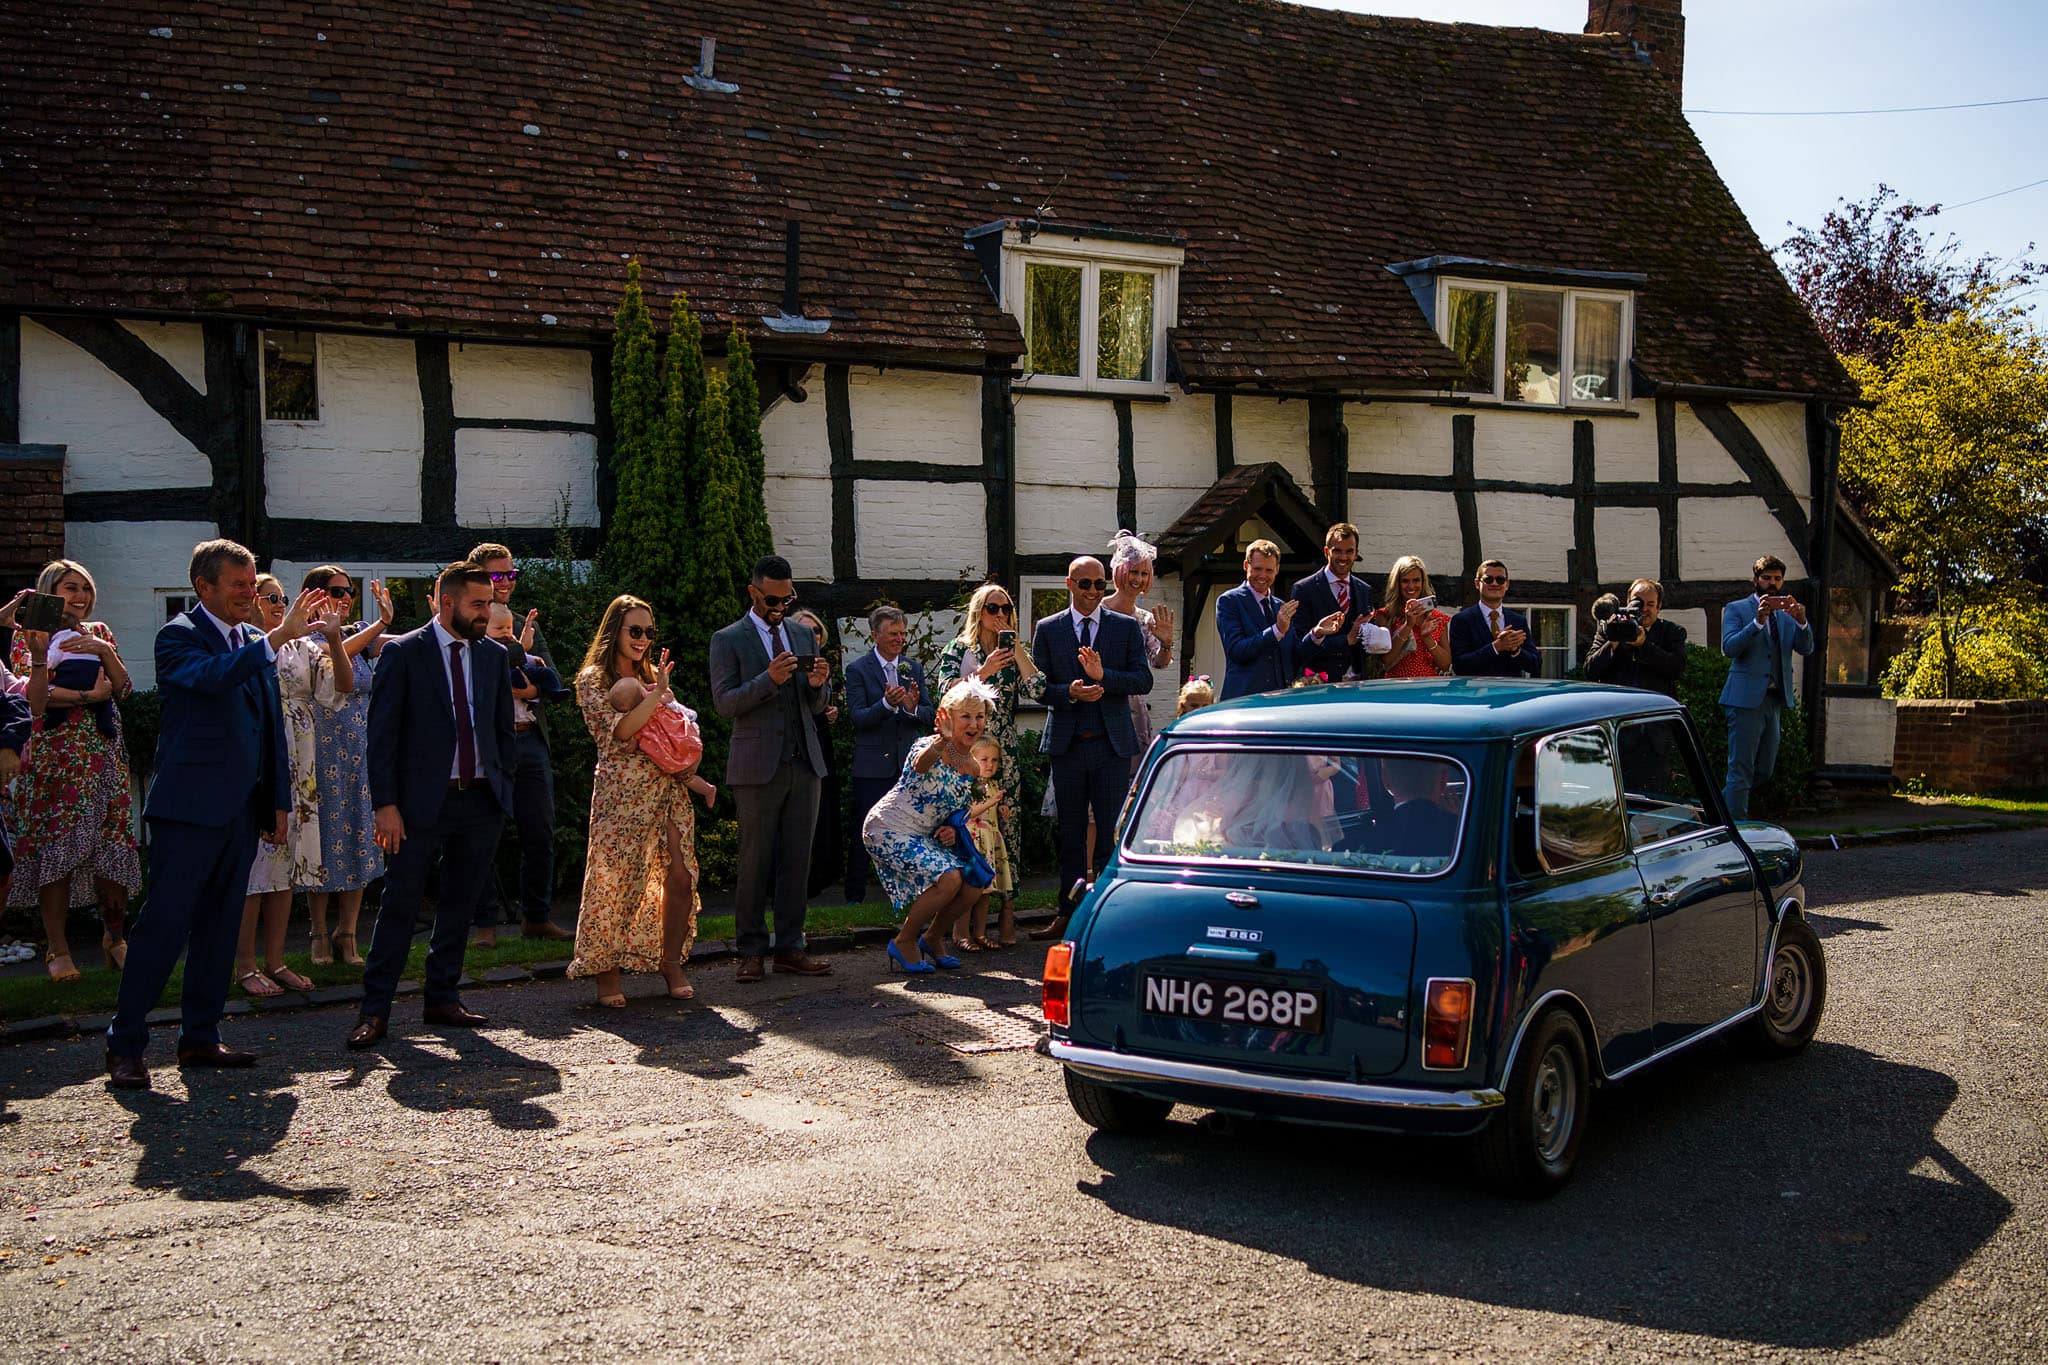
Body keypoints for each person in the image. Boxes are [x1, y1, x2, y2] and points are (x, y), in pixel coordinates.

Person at [105, 540, 308, 1090]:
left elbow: (270, 727)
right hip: (188, 811)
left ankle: (199, 1036)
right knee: (164, 928)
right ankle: (125, 1046)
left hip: (242, 812)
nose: (249, 594)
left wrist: (277, 802)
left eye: (252, 583)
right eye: (238, 585)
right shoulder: (178, 636)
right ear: (205, 587)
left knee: (221, 930)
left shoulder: (251, 640)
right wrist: (277, 639)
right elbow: (212, 678)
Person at [346, 562, 516, 1050]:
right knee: (400, 904)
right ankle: (374, 1011)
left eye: (490, 604)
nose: (487, 613)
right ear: (447, 603)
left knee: (460, 903)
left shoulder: (491, 657)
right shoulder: (404, 652)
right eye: (478, 605)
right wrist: (386, 806)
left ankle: (442, 997)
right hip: (420, 804)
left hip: (481, 799)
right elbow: (381, 739)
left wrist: (502, 788)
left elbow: (501, 727)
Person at [571, 595, 712, 1008]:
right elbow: (619, 732)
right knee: (615, 882)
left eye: (649, 632)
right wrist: (657, 697)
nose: (643, 639)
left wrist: (690, 765)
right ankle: (606, 970)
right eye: (635, 631)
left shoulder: (652, 675)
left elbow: (675, 728)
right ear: (615, 631)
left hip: (667, 789)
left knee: (681, 877)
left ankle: (670, 961)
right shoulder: (593, 679)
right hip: (621, 795)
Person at [4, 561, 139, 981]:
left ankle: (115, 938)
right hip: (55, 758)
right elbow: (31, 694)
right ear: (49, 591)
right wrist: (87, 693)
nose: (79, 596)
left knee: (112, 847)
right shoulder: (30, 637)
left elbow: (124, 687)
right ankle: (57, 950)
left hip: (104, 755)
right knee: (57, 850)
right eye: (69, 588)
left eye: (85, 588)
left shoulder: (99, 632)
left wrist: (105, 652)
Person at [709, 555, 834, 984]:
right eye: (772, 599)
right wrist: (769, 680)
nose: (780, 605)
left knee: (797, 862)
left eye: (787, 597)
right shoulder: (728, 639)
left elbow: (814, 705)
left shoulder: (802, 634)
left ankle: (790, 947)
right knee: (755, 862)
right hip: (756, 767)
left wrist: (818, 687)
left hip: (805, 763)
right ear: (753, 592)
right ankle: (750, 950)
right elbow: (725, 704)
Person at [233, 573, 346, 998]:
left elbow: (340, 688)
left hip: (300, 761)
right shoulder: (244, 643)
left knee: (285, 867)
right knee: (256, 869)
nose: (280, 603)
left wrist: (334, 638)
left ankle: (276, 961)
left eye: (283, 597)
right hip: (260, 758)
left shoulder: (302, 647)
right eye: (270, 597)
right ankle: (245, 964)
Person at [1032, 555, 1152, 940]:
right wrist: (1067, 692)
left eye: (1100, 586)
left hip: (1112, 746)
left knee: (1110, 835)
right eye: (1085, 585)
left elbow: (1143, 680)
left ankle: (1105, 914)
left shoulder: (1124, 627)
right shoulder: (1049, 628)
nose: (1093, 593)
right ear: (1070, 584)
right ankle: (1066, 912)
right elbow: (1038, 688)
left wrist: (1104, 677)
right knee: (1070, 835)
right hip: (1068, 745)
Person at [468, 543, 574, 945]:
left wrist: (521, 682)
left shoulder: (522, 622)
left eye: (511, 574)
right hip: (490, 745)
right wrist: (516, 676)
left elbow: (549, 680)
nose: (507, 583)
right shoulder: (465, 622)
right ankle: (485, 926)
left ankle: (537, 917)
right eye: (498, 576)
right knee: (482, 835)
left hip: (531, 741)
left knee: (540, 833)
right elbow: (475, 679)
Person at [863, 678, 997, 973]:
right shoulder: (927, 746)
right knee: (949, 879)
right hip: (887, 828)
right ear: (947, 717)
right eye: (966, 716)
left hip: (923, 835)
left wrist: (951, 828)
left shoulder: (973, 767)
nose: (974, 724)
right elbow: (920, 767)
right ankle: (904, 941)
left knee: (974, 883)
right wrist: (943, 740)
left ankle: (933, 938)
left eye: (980, 716)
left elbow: (957, 812)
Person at [937, 583, 1042, 945]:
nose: (1000, 616)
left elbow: (1040, 691)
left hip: (1002, 756)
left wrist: (1019, 652)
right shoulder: (959, 649)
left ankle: (1007, 916)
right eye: (993, 609)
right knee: (965, 833)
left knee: (1005, 834)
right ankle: (959, 925)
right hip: (964, 753)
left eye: (1007, 610)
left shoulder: (1013, 653)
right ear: (978, 612)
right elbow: (944, 692)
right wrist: (983, 671)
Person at [303, 568, 393, 968]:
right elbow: (335, 655)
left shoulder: (360, 632)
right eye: (338, 591)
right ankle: (319, 931)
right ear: (315, 594)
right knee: (322, 841)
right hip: (321, 754)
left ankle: (349, 932)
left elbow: (395, 646)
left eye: (350, 592)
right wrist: (378, 624)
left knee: (359, 837)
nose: (346, 598)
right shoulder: (304, 635)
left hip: (360, 750)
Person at [843, 605, 935, 904]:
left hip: (908, 764)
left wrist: (909, 708)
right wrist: (885, 704)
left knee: (911, 829)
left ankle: (907, 893)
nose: (899, 639)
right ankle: (855, 897)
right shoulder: (858, 669)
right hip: (872, 766)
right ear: (875, 635)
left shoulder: (913, 668)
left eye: (903, 634)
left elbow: (929, 713)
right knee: (865, 828)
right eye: (893, 634)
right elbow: (857, 717)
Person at [1720, 555, 1814, 820]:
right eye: (1766, 578)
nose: (1772, 584)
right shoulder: (1737, 609)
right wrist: (1757, 622)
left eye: (1777, 579)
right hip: (1744, 699)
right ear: (1755, 580)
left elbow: (1806, 648)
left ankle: (1715, 806)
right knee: (1741, 769)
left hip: (1774, 699)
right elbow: (1729, 648)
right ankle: (1737, 828)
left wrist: (1802, 622)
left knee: (1764, 769)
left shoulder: (1787, 614)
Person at [1103, 530, 1176, 774]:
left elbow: (1159, 663)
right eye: (1134, 571)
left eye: (1144, 573)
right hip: (1100, 701)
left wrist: (1166, 643)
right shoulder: (1098, 610)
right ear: (1120, 571)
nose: (1138, 579)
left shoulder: (1145, 619)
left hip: (1133, 708)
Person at [789, 609, 846, 900]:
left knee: (822, 808)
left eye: (816, 631)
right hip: (794, 746)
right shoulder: (788, 666)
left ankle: (820, 873)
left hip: (820, 742)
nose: (811, 636)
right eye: (805, 630)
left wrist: (829, 712)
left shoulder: (823, 669)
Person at [1288, 523, 1392, 680]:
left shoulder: (1364, 590)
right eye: (1337, 551)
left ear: (1356, 553)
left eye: (1349, 552)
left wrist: (1375, 635)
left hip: (1357, 686)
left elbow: (1364, 647)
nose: (1343, 557)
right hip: (1318, 684)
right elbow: (1299, 648)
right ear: (1326, 552)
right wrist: (1346, 640)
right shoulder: (1304, 589)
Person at [1216, 539, 1298, 699]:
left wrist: (1317, 634)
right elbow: (1237, 650)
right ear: (1246, 566)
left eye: (1269, 570)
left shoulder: (1280, 607)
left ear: (1277, 570)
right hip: (1244, 700)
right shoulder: (1230, 601)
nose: (1263, 576)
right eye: (1257, 569)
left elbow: (1294, 653)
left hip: (1279, 700)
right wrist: (1277, 631)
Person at [1585, 578, 1688, 697]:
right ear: (1628, 602)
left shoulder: (1672, 631)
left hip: (1653, 706)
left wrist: (1643, 645)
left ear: (1658, 606)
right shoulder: (1610, 629)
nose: (1643, 609)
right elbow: (1590, 671)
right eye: (1638, 603)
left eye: (1650, 604)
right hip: (1615, 704)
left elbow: (1676, 670)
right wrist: (1613, 642)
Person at [958, 736, 1013, 951]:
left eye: (994, 760)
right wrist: (991, 803)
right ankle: (962, 934)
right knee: (968, 891)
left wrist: (1000, 809)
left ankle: (980, 932)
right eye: (984, 759)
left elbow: (991, 810)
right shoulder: (967, 783)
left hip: (989, 842)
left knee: (985, 892)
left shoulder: (993, 784)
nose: (990, 765)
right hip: (973, 841)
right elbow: (968, 812)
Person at [1449, 559, 1540, 678]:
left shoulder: (1518, 620)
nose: (1495, 584)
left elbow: (1536, 665)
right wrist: (1496, 647)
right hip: (1475, 692)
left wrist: (1515, 650)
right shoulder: (1462, 620)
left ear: (1507, 585)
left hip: (1511, 692)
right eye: (1488, 579)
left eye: (1500, 580)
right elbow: (1459, 665)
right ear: (1477, 583)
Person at [1371, 555, 1454, 679]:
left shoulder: (1436, 617)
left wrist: (1427, 638)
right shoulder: (1385, 615)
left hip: (1429, 687)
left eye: (1416, 580)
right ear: (1397, 584)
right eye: (1405, 581)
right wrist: (1408, 625)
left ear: (1423, 582)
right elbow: (1386, 660)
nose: (1411, 586)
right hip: (1397, 687)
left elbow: (1445, 665)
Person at [1380, 757, 1460, 860]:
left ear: (1384, 779)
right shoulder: (1461, 835)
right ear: (1444, 779)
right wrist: (1456, 822)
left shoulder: (1365, 839)